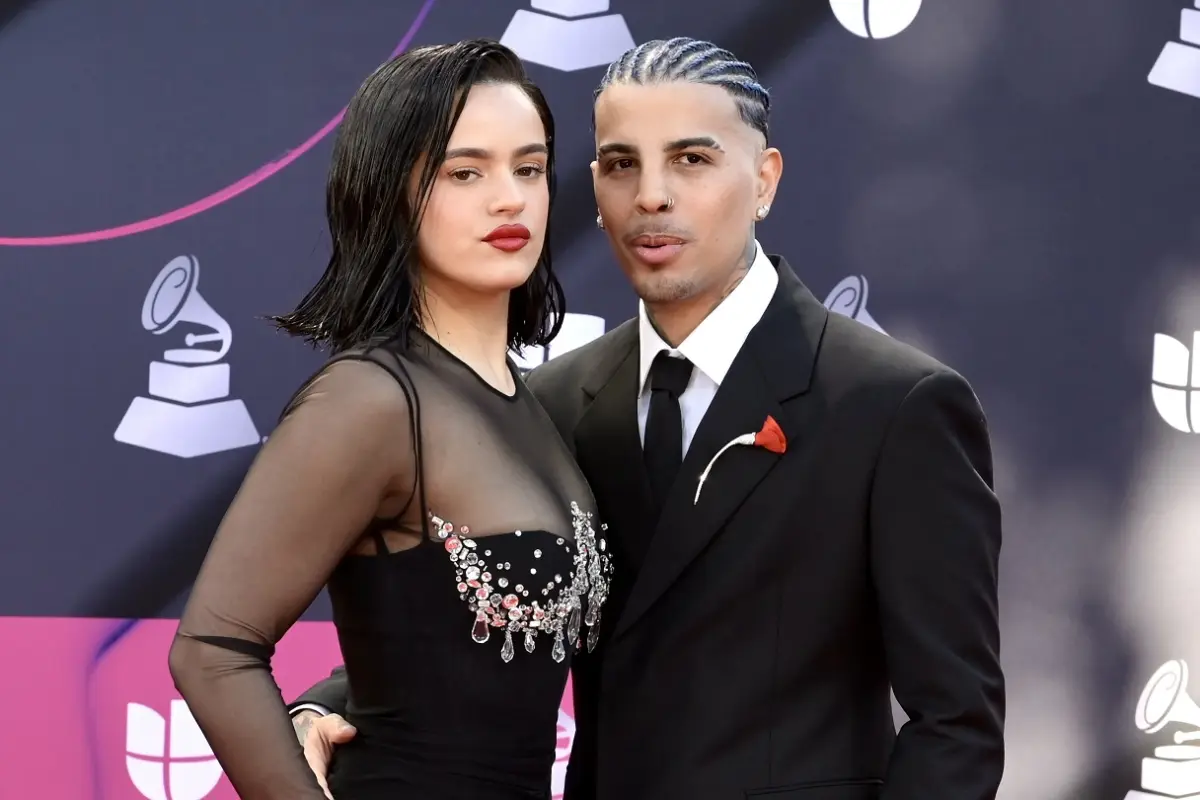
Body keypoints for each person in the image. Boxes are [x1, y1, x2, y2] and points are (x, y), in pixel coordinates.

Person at [289, 37, 1005, 800]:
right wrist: (323, 707)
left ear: (764, 180)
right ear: (593, 188)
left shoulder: (893, 405)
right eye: (622, 164)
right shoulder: (557, 401)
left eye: (691, 160)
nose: (651, 196)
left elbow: (955, 725)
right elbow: (467, 622)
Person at [168, 38, 612, 800]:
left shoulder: (532, 406)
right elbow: (211, 650)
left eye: (529, 168)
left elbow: (426, 646)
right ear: (390, 192)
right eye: (464, 172)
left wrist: (319, 703)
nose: (509, 198)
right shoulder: (370, 402)